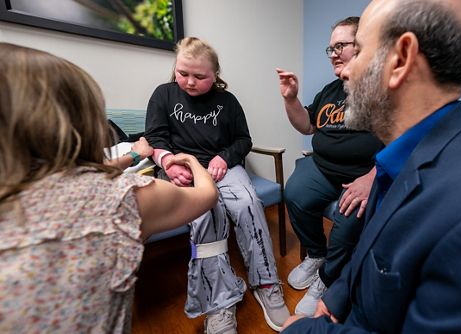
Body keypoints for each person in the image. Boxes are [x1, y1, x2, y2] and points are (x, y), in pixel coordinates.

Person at [282, 0, 461, 332]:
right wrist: (340, 293)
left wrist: (303, 330)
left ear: (400, 60)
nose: (344, 70)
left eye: (360, 52)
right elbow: (375, 252)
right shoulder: (398, 162)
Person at [0, 42, 218, 333]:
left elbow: (84, 171)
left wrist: (137, 154)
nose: (190, 81)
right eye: (183, 73)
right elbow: (206, 195)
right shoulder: (122, 197)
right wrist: (185, 160)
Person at [144, 36, 290, 333]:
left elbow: (243, 140)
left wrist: (225, 158)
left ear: (215, 75)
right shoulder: (163, 95)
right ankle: (219, 301)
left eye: (200, 76)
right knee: (205, 215)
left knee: (249, 204)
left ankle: (265, 282)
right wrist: (168, 164)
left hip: (223, 167)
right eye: (183, 73)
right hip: (184, 169)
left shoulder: (228, 101)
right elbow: (155, 139)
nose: (189, 82)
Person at [276, 17, 383, 315]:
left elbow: (404, 139)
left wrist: (374, 176)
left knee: (348, 219)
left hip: (364, 173)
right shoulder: (330, 90)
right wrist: (291, 99)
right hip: (323, 166)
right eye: (331, 48)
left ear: (362, 47)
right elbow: (307, 127)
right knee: (295, 193)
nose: (333, 53)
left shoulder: (382, 89)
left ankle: (327, 278)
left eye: (341, 46)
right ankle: (317, 255)